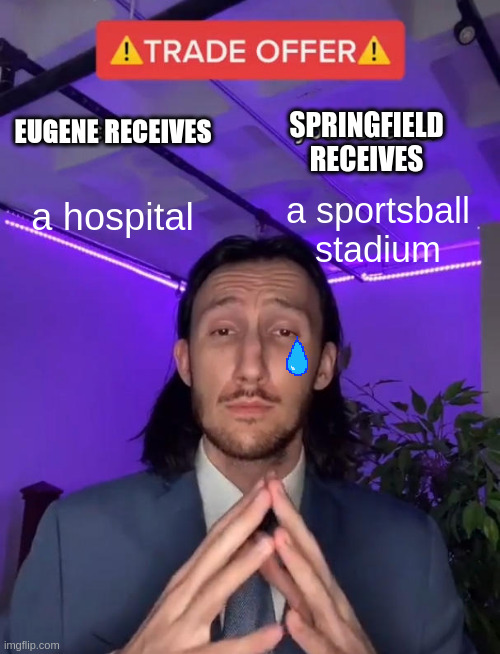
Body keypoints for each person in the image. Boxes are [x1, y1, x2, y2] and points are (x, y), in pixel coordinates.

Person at [5, 234, 475, 654]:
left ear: (323, 367)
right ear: (186, 363)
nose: (251, 365)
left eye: (284, 332)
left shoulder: (410, 550)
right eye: (223, 331)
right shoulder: (74, 535)